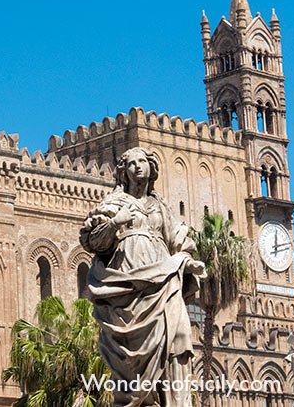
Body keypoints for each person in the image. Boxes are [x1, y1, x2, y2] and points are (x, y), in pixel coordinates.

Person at [80, 147, 205, 407]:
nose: (137, 167)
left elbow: (177, 240)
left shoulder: (161, 206)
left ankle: (178, 402)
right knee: (134, 357)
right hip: (127, 288)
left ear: (151, 168)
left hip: (164, 282)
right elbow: (94, 242)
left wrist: (188, 261)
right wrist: (116, 222)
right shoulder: (113, 204)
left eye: (142, 162)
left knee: (179, 336)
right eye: (131, 163)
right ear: (123, 172)